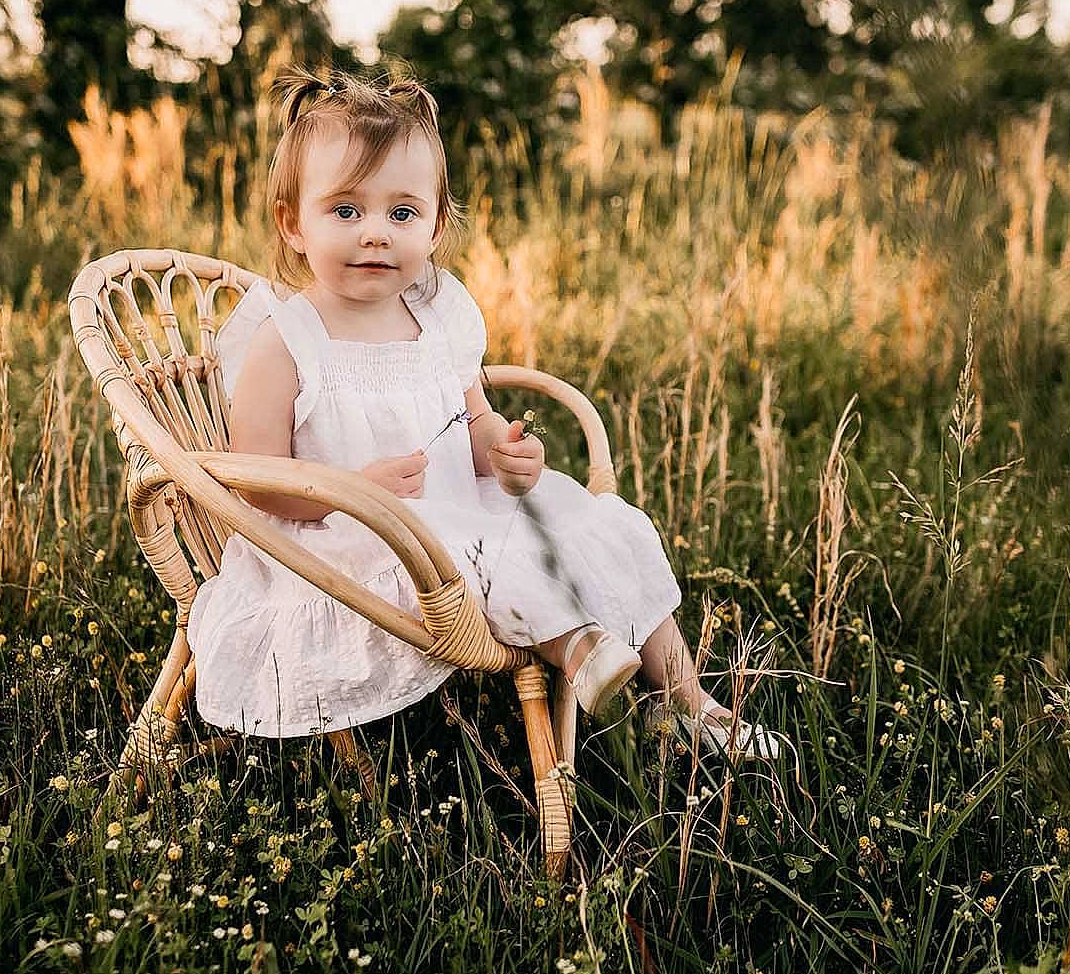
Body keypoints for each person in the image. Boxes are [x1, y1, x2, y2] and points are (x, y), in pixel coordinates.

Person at [187, 62, 786, 762]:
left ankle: (688, 703)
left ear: (436, 226)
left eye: (402, 213)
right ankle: (577, 643)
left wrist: (502, 448)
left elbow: (472, 423)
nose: (375, 233)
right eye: (346, 211)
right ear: (294, 224)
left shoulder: (438, 317)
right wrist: (354, 496)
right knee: (461, 539)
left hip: (450, 517)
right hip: (340, 547)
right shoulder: (286, 339)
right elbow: (253, 480)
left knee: (584, 515)